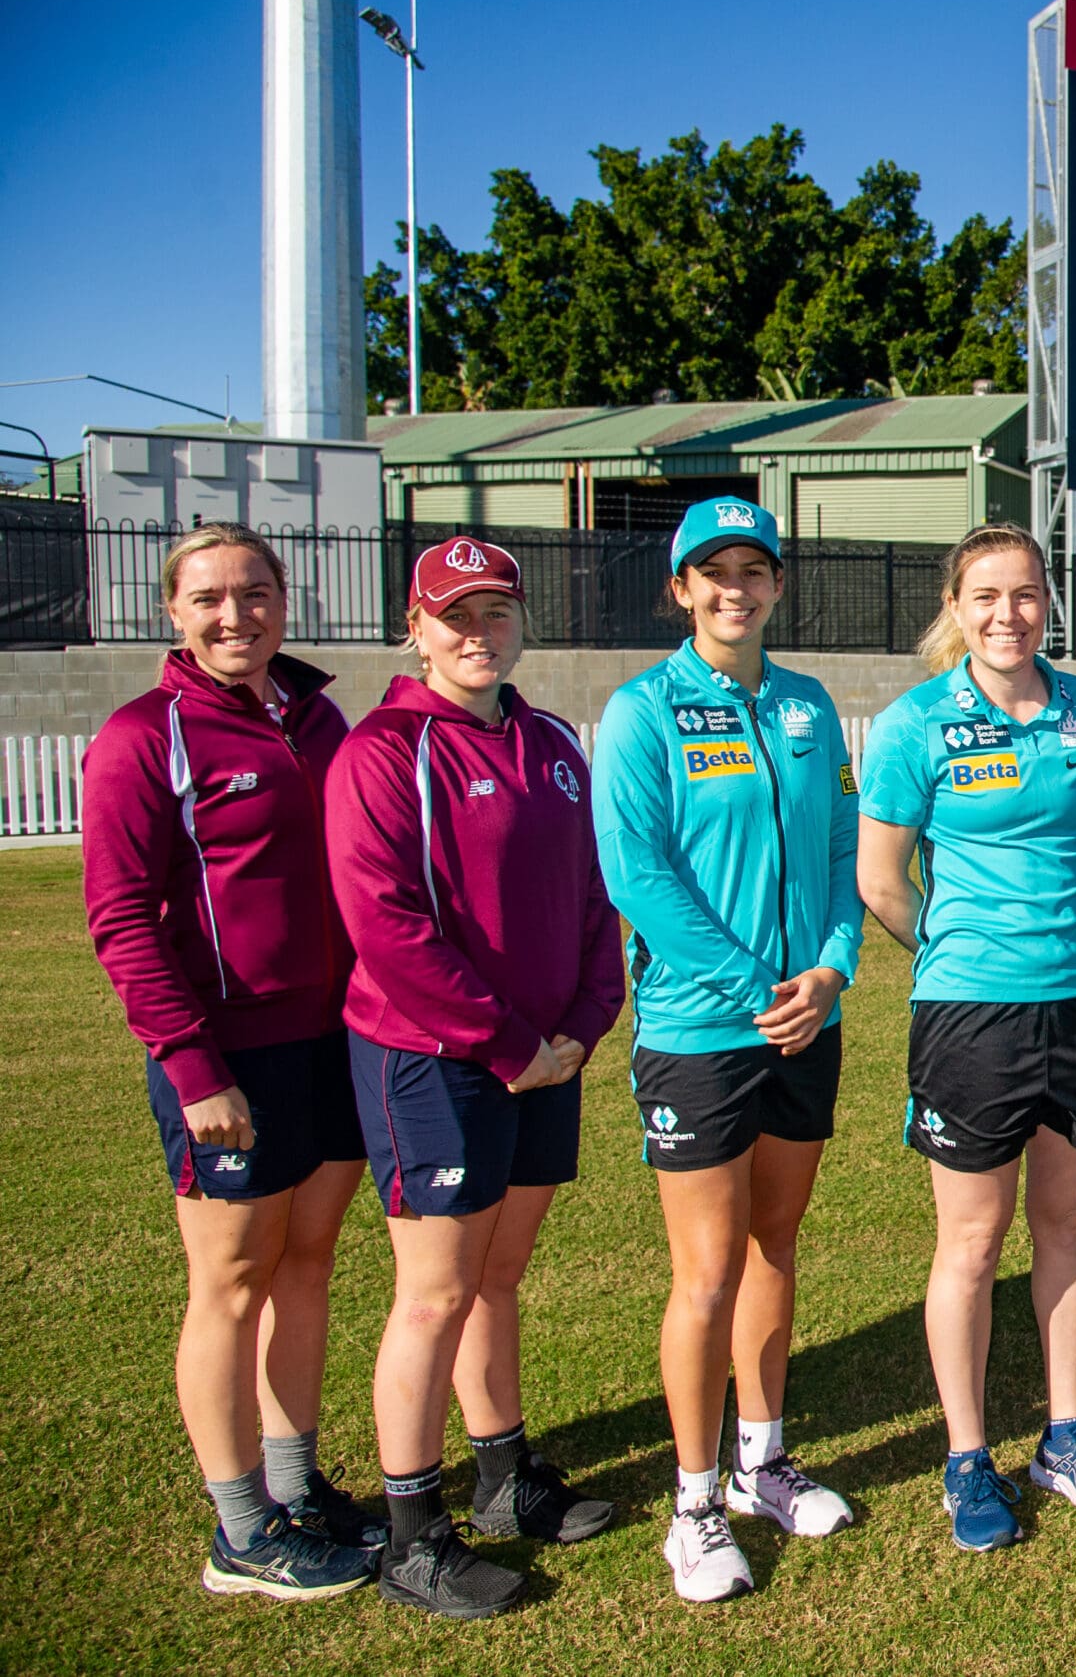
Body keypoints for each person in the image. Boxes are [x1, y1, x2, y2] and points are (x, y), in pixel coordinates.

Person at [83, 523, 383, 1601]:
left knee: (307, 1270)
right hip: (225, 1057)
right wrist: (192, 1067)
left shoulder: (318, 719)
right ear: (173, 611)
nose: (235, 616)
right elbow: (120, 918)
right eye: (209, 597)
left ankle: (296, 1488)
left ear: (283, 601)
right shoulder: (142, 736)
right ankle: (240, 1526)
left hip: (334, 1039)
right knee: (231, 1281)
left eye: (254, 593)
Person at [327, 536, 625, 1618]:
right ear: (416, 627)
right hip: (436, 1064)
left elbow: (597, 895)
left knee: (498, 1277)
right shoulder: (382, 751)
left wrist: (587, 1023)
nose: (476, 632)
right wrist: (509, 1047)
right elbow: (387, 929)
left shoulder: (549, 740)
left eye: (495, 610)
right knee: (436, 1292)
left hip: (550, 1056)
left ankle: (503, 1478)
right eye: (454, 614)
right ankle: (411, 1533)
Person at [592, 497, 863, 1604]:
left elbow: (844, 852)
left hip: (809, 1021)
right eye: (713, 572)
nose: (734, 590)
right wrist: (761, 987)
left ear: (776, 586)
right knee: (703, 1275)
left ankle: (763, 1462)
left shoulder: (805, 705)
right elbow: (637, 877)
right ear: (680, 589)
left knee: (773, 1246)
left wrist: (832, 970)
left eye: (753, 570)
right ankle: (693, 1505)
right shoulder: (642, 711)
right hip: (702, 1032)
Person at [856, 524, 1076, 1552]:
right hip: (970, 1015)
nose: (1006, 614)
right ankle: (967, 1456)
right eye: (985, 596)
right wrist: (962, 950)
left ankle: (1066, 1435)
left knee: (1068, 1224)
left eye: (1024, 595)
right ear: (955, 605)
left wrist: (1042, 935)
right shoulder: (915, 724)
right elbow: (882, 881)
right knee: (971, 1242)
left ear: (1046, 603)